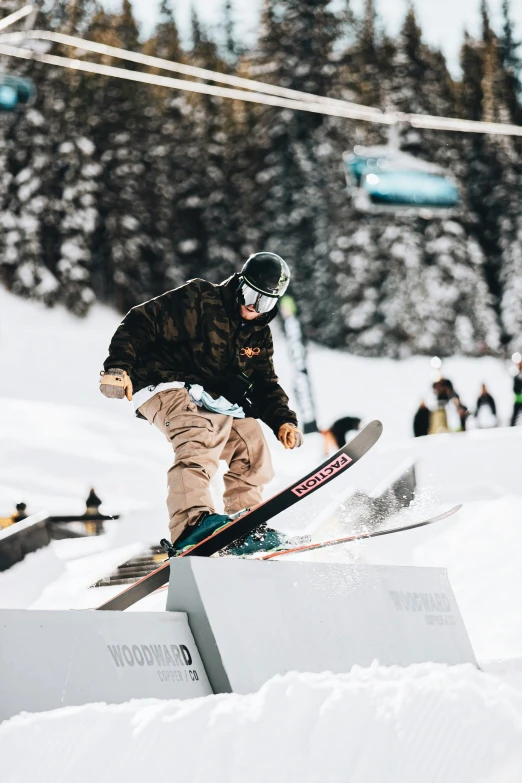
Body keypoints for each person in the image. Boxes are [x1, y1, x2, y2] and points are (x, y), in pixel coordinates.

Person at [100, 252, 304, 556]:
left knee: (252, 445)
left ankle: (243, 526)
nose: (253, 307)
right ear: (238, 284)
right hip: (164, 382)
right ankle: (191, 525)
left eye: (265, 303)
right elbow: (141, 321)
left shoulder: (259, 334)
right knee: (198, 434)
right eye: (250, 295)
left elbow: (264, 383)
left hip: (211, 397)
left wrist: (283, 420)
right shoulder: (200, 299)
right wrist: (118, 367)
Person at [512, 361, 522, 427]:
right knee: (515, 415)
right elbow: (514, 389)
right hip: (518, 399)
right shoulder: (516, 377)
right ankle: (511, 426)